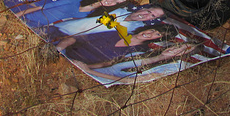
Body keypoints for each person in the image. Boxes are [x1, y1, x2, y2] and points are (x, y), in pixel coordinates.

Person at [72, 43, 203, 85]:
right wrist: (86, 66)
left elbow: (128, 81)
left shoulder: (173, 67)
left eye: (184, 49)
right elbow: (108, 63)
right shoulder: (145, 52)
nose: (176, 48)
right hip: (96, 72)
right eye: (178, 45)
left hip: (107, 80)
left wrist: (89, 72)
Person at [58, 24, 179, 65]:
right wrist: (59, 49)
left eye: (157, 34)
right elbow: (75, 38)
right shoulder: (117, 32)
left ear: (158, 40)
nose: (150, 33)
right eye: (152, 30)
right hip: (66, 53)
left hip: (83, 65)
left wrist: (85, 67)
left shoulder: (139, 50)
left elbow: (108, 64)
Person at [51, 4, 167, 36]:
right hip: (58, 26)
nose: (146, 15)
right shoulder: (118, 9)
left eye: (152, 16)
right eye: (149, 11)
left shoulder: (134, 29)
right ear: (143, 8)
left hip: (69, 39)